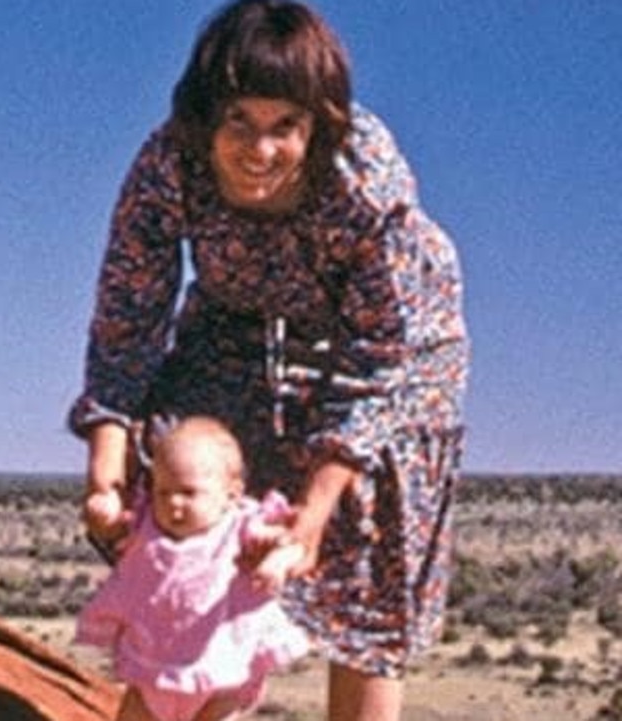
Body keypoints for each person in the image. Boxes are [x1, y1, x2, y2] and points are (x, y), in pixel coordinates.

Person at [68, 1, 469, 720]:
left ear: (316, 124)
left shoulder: (362, 176)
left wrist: (313, 513)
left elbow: (380, 359)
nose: (261, 150)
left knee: (367, 532)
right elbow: (128, 320)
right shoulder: (169, 166)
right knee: (188, 479)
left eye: (285, 126)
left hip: (394, 347)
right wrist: (107, 466)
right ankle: (186, 692)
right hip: (236, 319)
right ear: (206, 118)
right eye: (239, 124)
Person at [76, 416, 310, 721]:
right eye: (163, 491)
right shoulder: (145, 525)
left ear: (232, 493)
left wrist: (276, 562)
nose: (174, 503)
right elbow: (114, 528)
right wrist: (104, 509)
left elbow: (289, 543)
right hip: (153, 666)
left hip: (221, 668)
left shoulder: (240, 527)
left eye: (188, 492)